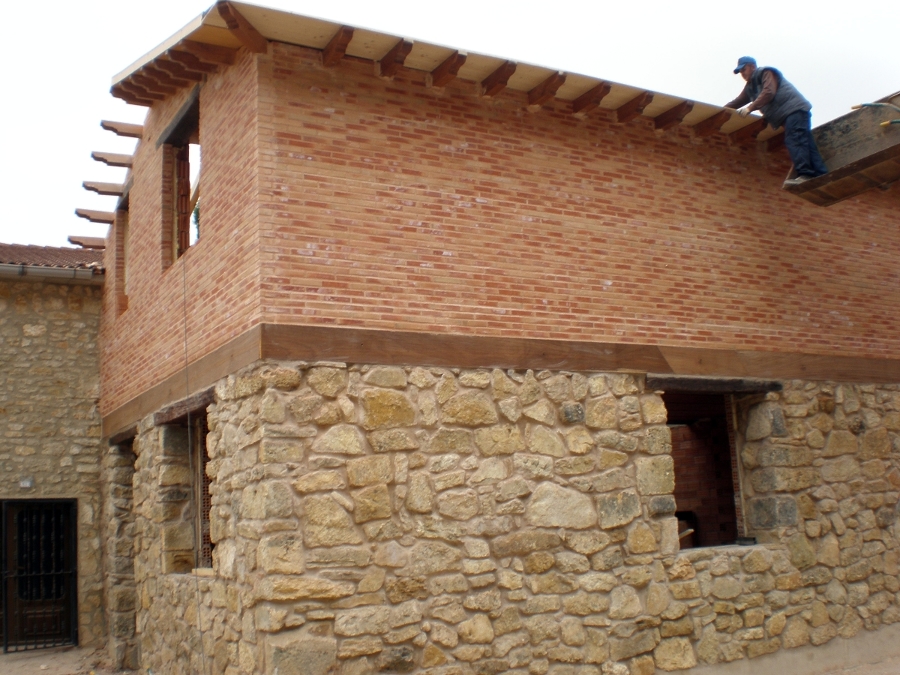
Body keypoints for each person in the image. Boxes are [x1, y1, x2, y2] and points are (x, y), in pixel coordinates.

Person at [726, 56, 828, 186]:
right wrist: (722, 110)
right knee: (805, 142)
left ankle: (805, 174)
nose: (742, 74)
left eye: (744, 70)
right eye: (740, 72)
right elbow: (737, 102)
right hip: (789, 115)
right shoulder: (750, 87)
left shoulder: (765, 72)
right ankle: (821, 174)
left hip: (794, 110)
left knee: (795, 140)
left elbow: (769, 92)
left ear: (752, 66)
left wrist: (750, 108)